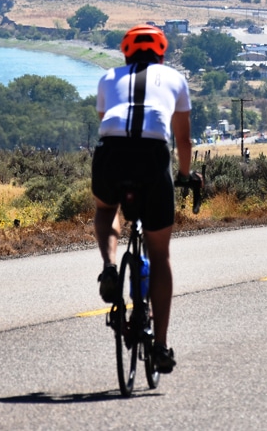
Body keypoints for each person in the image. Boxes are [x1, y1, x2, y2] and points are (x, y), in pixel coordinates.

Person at [91, 24, 198, 374]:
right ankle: (162, 346)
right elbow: (183, 142)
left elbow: (108, 122)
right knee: (160, 254)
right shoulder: (175, 79)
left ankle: (109, 266)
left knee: (107, 208)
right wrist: (185, 176)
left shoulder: (108, 77)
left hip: (112, 152)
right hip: (153, 156)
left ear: (125, 53)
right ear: (162, 54)